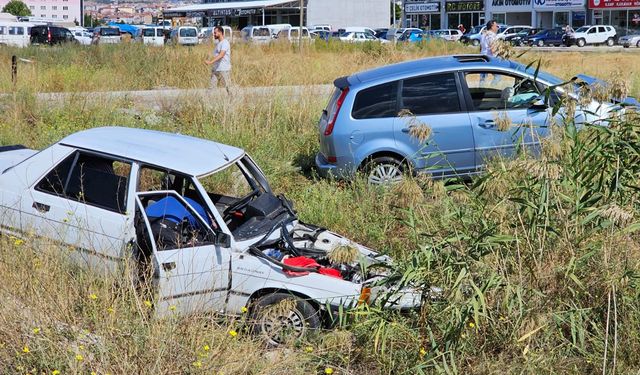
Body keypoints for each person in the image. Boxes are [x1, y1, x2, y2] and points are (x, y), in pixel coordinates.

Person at [205, 26, 232, 94]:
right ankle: (205, 101)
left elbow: (221, 55)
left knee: (228, 87)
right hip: (216, 69)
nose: (214, 34)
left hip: (224, 69)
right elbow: (217, 55)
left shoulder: (225, 43)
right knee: (211, 87)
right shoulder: (218, 43)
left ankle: (233, 100)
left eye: (215, 33)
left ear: (220, 32)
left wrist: (210, 62)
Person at [480, 20, 500, 85]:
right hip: (490, 59)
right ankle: (492, 87)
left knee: (483, 78)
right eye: (496, 26)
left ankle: (480, 91)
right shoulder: (492, 35)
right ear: (492, 27)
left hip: (483, 58)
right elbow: (493, 49)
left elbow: (481, 47)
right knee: (498, 77)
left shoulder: (483, 34)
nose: (497, 27)